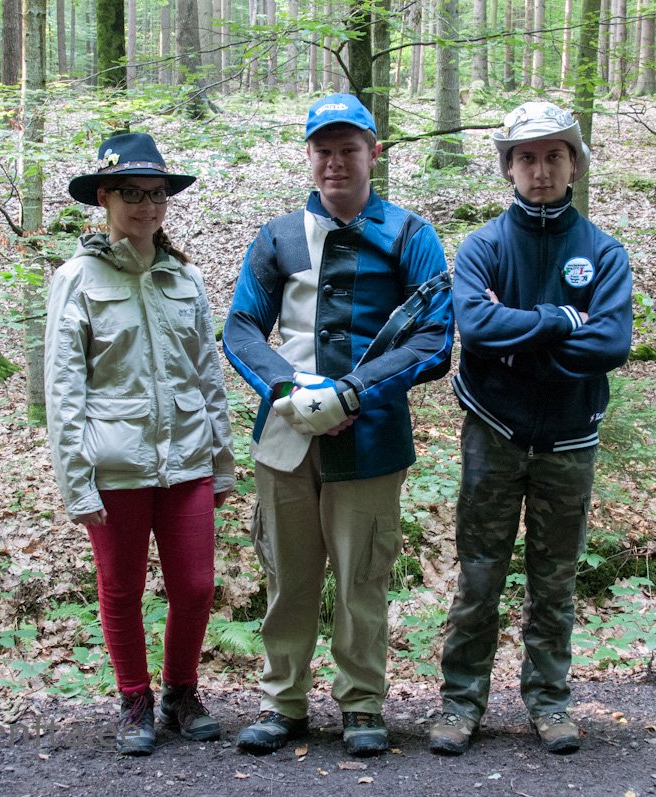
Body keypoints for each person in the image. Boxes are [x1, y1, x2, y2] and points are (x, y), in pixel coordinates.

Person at [223, 94, 454, 757]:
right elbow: (241, 325)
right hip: (284, 435)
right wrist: (284, 387)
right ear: (309, 155)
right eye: (322, 150)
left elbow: (435, 339)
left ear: (373, 153)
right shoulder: (278, 236)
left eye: (348, 149)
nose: (334, 163)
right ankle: (282, 702)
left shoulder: (409, 236)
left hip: (371, 435)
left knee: (362, 578)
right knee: (287, 575)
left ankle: (361, 704)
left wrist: (354, 392)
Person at [429, 101, 633, 756]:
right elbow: (475, 327)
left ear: (575, 164)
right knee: (479, 575)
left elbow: (611, 343)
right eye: (526, 158)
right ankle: (460, 703)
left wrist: (517, 344)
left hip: (569, 438)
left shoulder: (603, 253)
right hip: (493, 431)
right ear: (509, 168)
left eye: (553, 156)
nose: (540, 170)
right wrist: (561, 321)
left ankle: (549, 700)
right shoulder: (484, 247)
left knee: (555, 579)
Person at [45, 132, 235, 756]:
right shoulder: (77, 278)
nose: (147, 206)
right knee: (122, 589)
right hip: (114, 464)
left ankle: (182, 692)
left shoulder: (185, 278)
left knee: (196, 587)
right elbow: (64, 389)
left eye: (157, 194)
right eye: (132, 193)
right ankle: (135, 699)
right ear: (104, 197)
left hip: (188, 460)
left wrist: (222, 462)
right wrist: (76, 482)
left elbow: (207, 376)